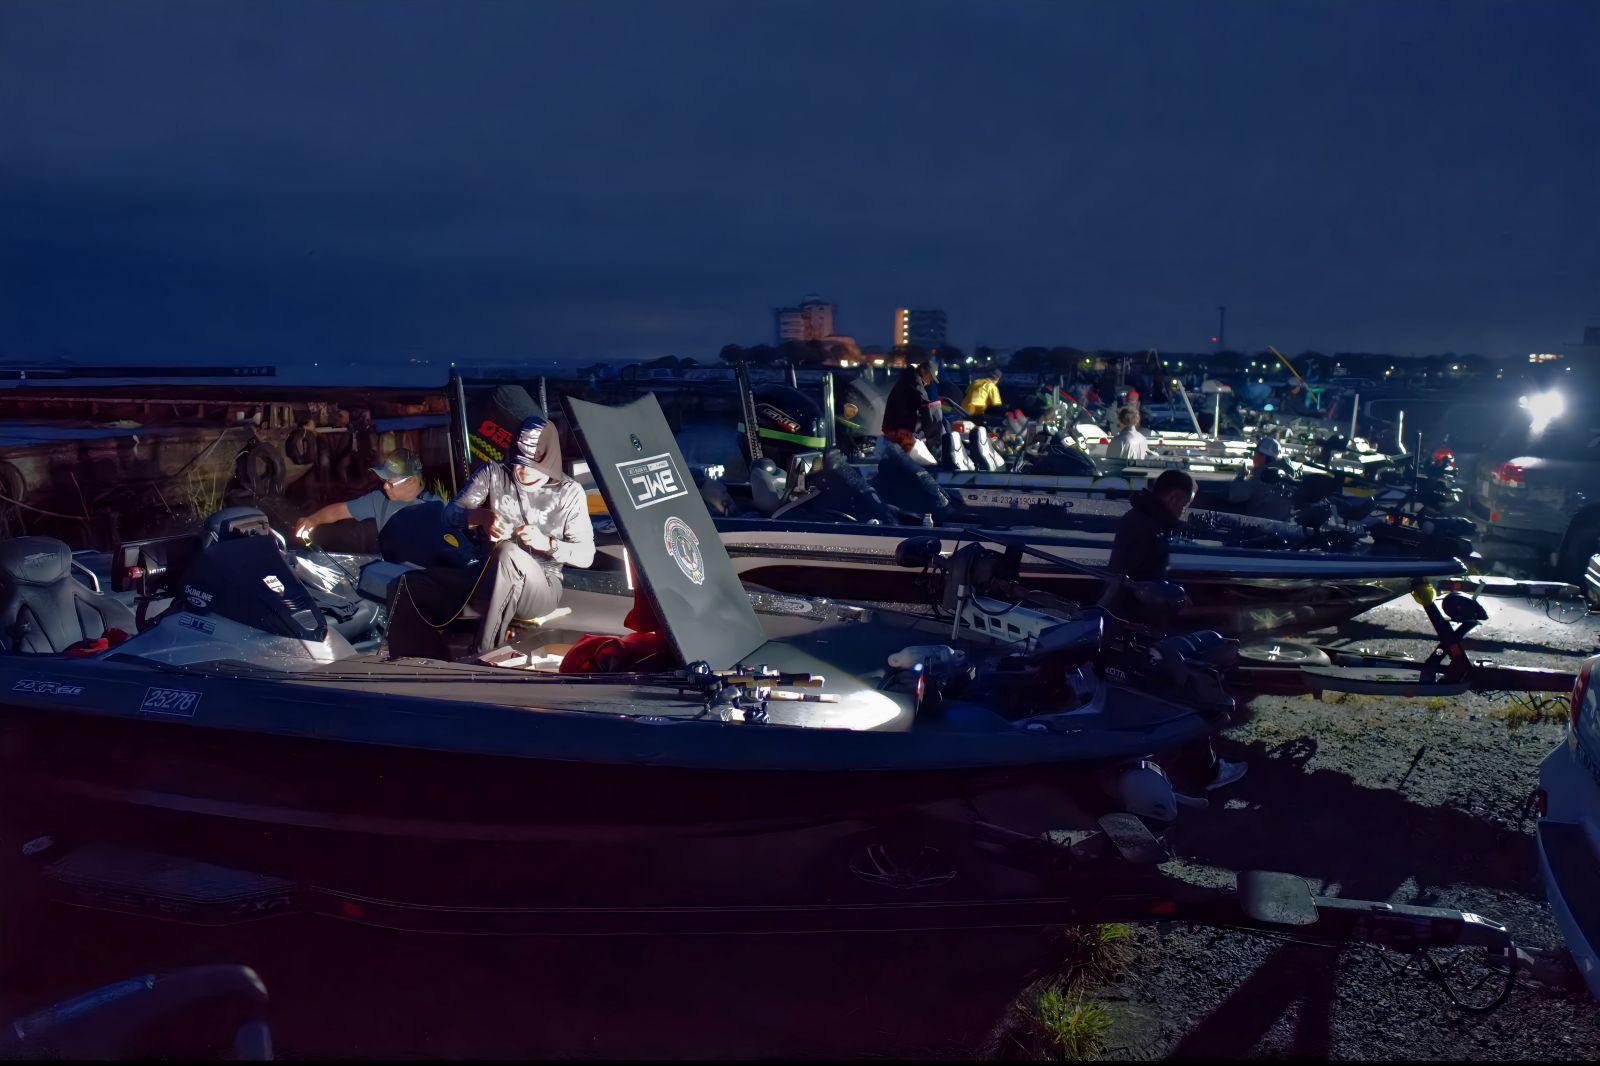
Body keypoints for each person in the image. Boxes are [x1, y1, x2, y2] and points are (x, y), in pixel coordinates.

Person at [386, 415, 594, 660]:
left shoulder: (569, 492)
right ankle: (420, 662)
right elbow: (449, 515)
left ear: (547, 463)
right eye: (518, 463)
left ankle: (483, 655)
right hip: (484, 574)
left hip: (542, 586)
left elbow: (586, 556)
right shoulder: (494, 473)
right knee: (405, 585)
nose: (522, 472)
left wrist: (548, 544)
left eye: (531, 466)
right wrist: (481, 517)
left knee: (508, 553)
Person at [1104, 469, 1247, 793]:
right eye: (1184, 504)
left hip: (1128, 622)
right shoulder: (1146, 528)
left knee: (1161, 689)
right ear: (1173, 497)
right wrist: (1169, 599)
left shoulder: (1140, 519)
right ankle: (1206, 773)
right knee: (1188, 688)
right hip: (1136, 626)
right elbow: (1138, 582)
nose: (1183, 511)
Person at [293, 447, 437, 542]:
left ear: (411, 481)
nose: (385, 486)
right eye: (384, 480)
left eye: (390, 482)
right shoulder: (379, 499)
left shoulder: (438, 508)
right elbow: (340, 510)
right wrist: (314, 519)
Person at [881, 361, 944, 455]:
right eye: (930, 377)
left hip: (895, 425)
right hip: (899, 429)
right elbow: (924, 404)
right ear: (922, 371)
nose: (930, 381)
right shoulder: (915, 381)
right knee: (918, 456)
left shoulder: (909, 378)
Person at [1228, 436, 1287, 518]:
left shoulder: (1262, 476)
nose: (1253, 457)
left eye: (1256, 454)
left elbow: (1235, 496)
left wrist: (1241, 476)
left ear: (1264, 457)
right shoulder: (1285, 474)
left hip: (1262, 523)